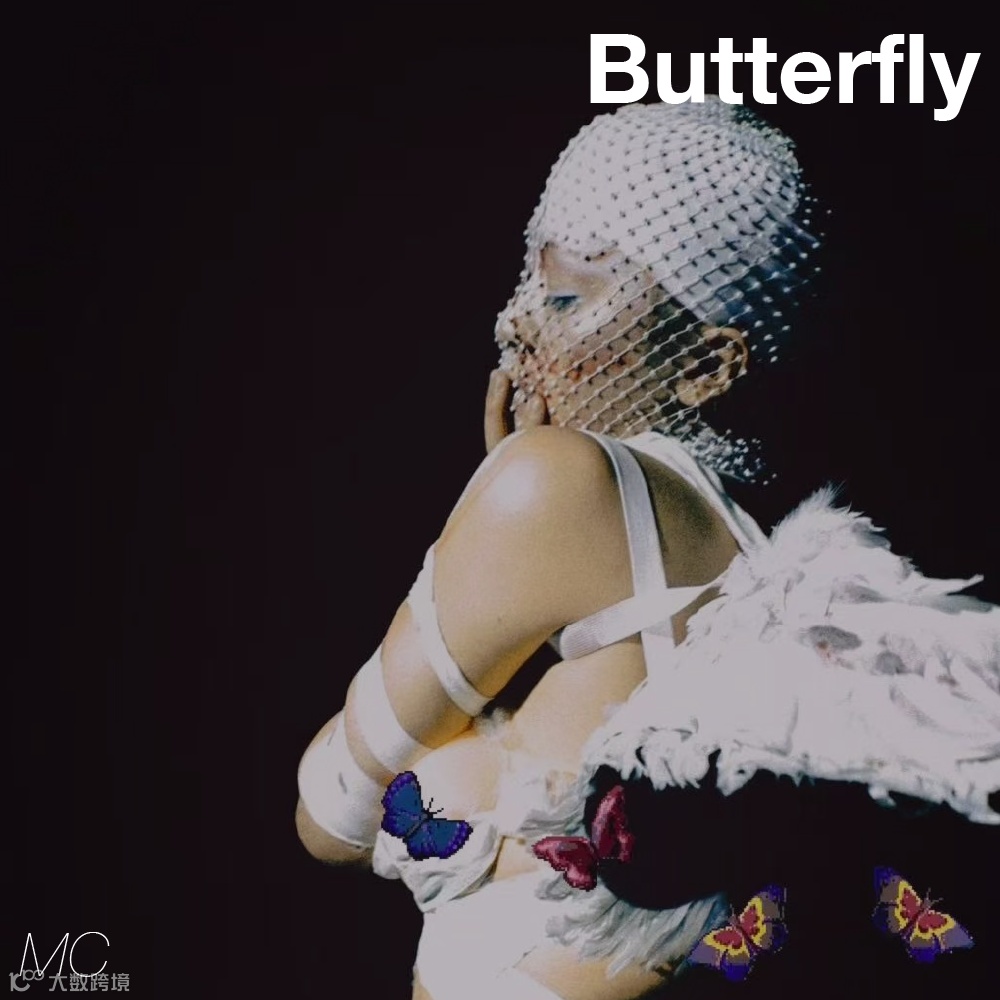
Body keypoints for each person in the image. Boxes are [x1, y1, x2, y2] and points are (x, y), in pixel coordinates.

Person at [295, 99, 1000, 1000]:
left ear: (709, 364)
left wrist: (498, 508)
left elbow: (330, 818)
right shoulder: (783, 555)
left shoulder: (551, 488)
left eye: (564, 298)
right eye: (531, 280)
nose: (519, 323)